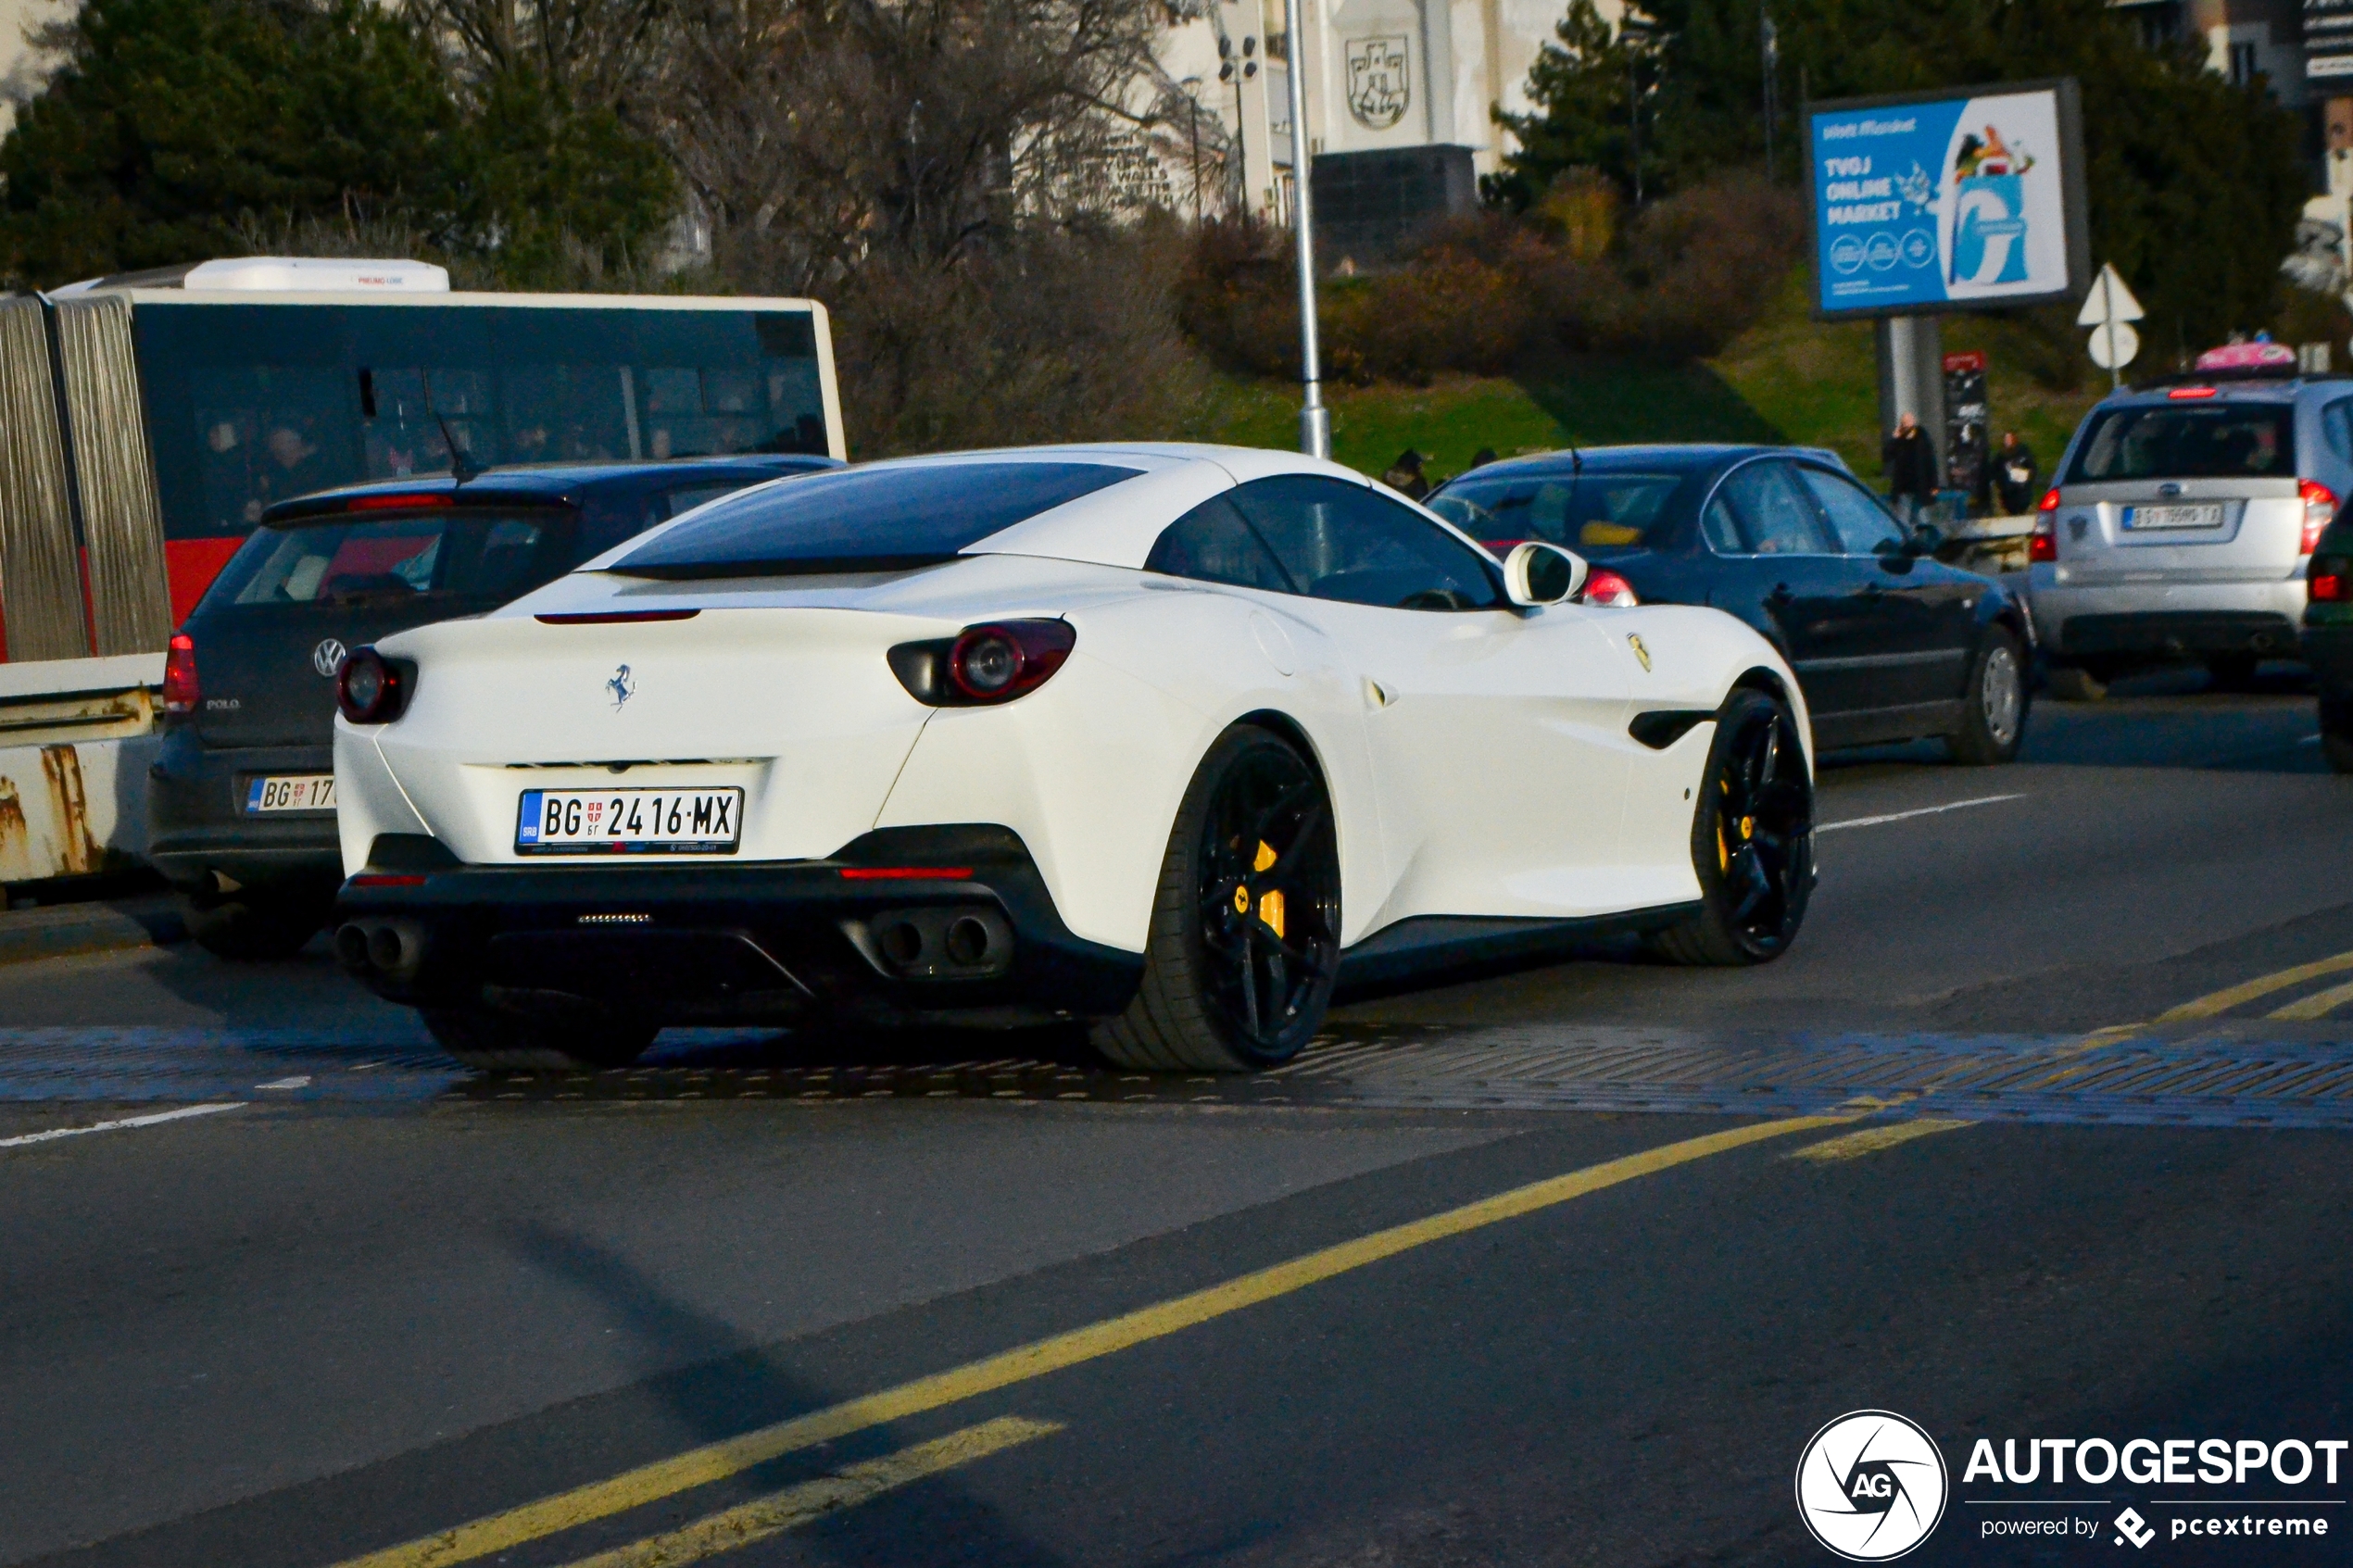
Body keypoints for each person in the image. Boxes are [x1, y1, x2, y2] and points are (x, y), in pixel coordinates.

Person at [1881, 413, 1936, 524]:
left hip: (1921, 484)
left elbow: (1930, 462)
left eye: (1907, 422)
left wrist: (1934, 484)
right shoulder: (1899, 441)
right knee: (1903, 518)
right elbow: (1886, 457)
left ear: (1913, 422)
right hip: (1903, 486)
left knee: (1923, 517)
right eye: (1903, 423)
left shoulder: (1922, 439)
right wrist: (1894, 439)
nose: (1905, 426)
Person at [1994, 431, 2039, 515]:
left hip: (2022, 488)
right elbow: (1996, 470)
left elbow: (2032, 467)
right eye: (2006, 439)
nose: (2008, 441)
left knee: (2022, 506)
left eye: (2010, 439)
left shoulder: (2024, 452)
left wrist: (2027, 475)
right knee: (2011, 509)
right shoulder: (2001, 456)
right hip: (2007, 491)